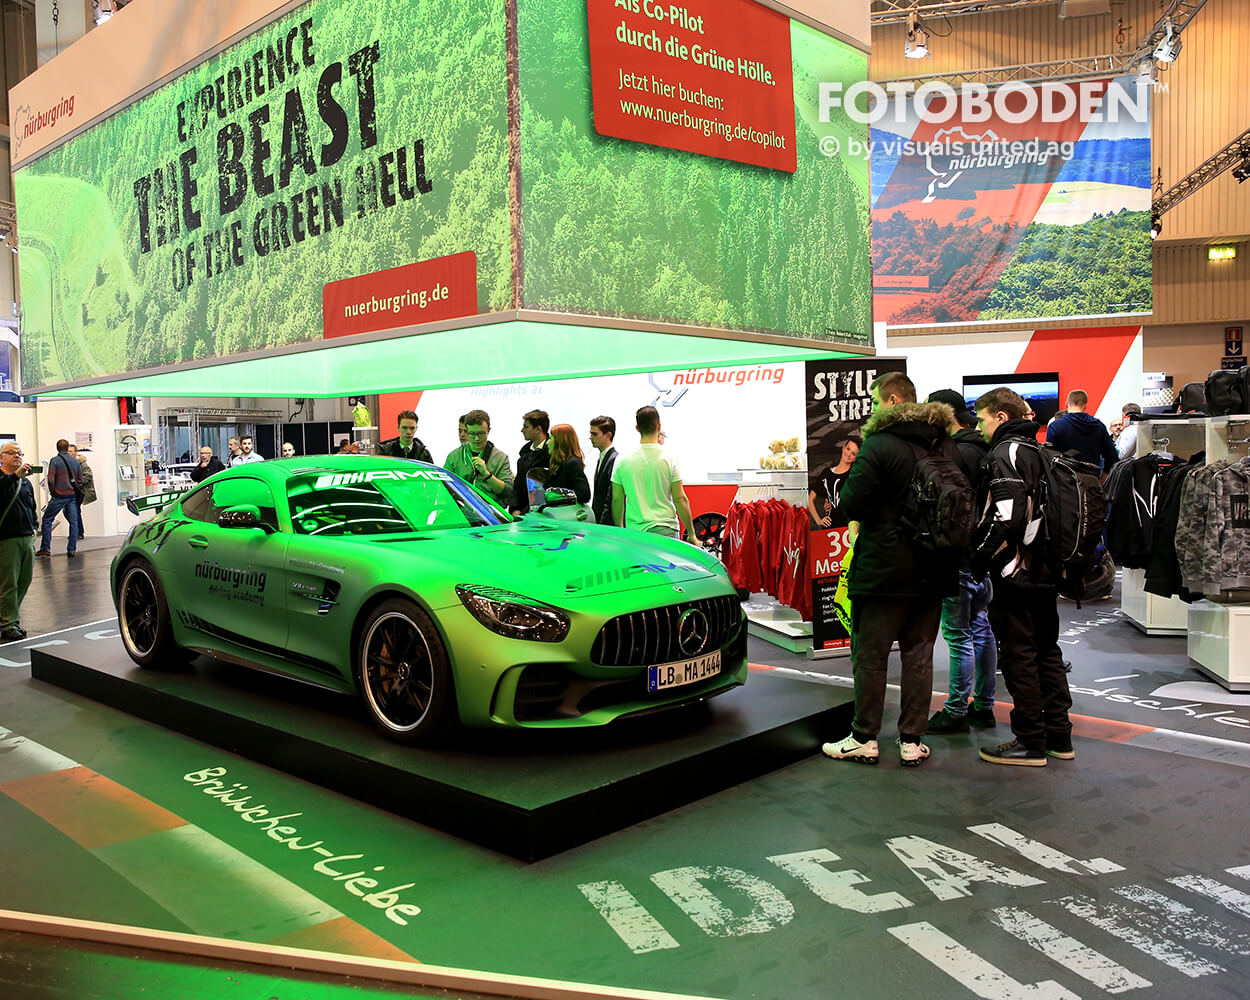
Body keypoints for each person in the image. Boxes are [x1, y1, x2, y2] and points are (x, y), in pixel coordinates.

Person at [821, 373, 961, 768]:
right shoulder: (945, 442)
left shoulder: (879, 444)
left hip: (884, 569)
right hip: (934, 567)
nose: (871, 408)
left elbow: (851, 503)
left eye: (875, 401)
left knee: (871, 655)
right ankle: (912, 740)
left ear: (893, 400)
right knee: (919, 655)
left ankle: (864, 737)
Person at [972, 387, 1073, 766]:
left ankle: (1030, 739)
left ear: (1000, 417)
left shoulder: (1006, 453)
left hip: (1017, 573)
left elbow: (1006, 514)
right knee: (1048, 650)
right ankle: (1059, 737)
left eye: (982, 419)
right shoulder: (1043, 450)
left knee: (1019, 655)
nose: (979, 427)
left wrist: (978, 557)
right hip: (1048, 570)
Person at [924, 390, 997, 735]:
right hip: (984, 554)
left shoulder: (953, 454)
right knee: (981, 627)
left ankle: (956, 710)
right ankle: (983, 706)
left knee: (958, 634)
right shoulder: (985, 449)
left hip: (958, 555)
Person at [611, 405, 695, 541]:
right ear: (659, 426)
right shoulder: (670, 458)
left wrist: (620, 528)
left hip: (636, 532)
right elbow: (680, 498)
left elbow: (617, 499)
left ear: (637, 428)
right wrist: (691, 533)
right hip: (667, 528)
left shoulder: (622, 459)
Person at [0, 442, 39, 641]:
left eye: (20, 453)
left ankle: (10, 618)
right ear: (2, 456)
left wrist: (35, 525)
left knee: (24, 580)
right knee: (9, 584)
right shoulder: (3, 479)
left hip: (26, 537)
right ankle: (8, 624)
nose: (17, 456)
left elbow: (31, 505)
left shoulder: (26, 482)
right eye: (12, 453)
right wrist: (15, 476)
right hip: (6, 540)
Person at [445, 409, 514, 504]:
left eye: (481, 433)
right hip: (462, 511)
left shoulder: (500, 458)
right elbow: (444, 486)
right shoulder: (454, 456)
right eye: (472, 434)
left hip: (490, 513)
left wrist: (486, 474)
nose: (476, 439)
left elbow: (508, 491)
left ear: (488, 430)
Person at [1045, 389, 1118, 474]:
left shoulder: (1055, 427)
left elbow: (1048, 458)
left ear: (1067, 404)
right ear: (1085, 405)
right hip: (1091, 481)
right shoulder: (1099, 426)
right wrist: (1102, 479)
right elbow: (1112, 458)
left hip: (1064, 481)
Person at [36, 439, 80, 558]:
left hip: (59, 496)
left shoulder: (54, 461)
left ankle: (45, 548)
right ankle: (72, 550)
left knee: (47, 519)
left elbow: (50, 479)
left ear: (57, 448)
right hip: (71, 496)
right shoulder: (76, 462)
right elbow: (80, 480)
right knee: (74, 523)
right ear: (67, 448)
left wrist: (53, 492)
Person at [807, 437, 860, 528]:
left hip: (848, 528)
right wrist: (818, 520)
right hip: (829, 528)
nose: (848, 454)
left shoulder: (854, 476)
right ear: (843, 448)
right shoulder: (826, 473)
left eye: (853, 453)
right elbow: (810, 499)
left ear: (856, 458)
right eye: (848, 449)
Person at [511, 409, 550, 515]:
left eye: (526, 427)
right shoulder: (524, 454)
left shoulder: (552, 454)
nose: (522, 430)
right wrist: (515, 508)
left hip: (544, 513)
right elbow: (518, 485)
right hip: (523, 513)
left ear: (538, 429)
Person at [545, 424, 591, 504]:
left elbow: (584, 494)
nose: (547, 442)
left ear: (560, 441)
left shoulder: (572, 463)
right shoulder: (557, 464)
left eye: (551, 438)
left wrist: (558, 496)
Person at [588, 415, 618, 525]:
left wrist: (602, 525)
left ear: (608, 435)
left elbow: (610, 499)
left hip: (606, 525)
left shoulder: (613, 459)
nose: (590, 437)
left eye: (594, 434)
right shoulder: (603, 457)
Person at [65, 444, 96, 540]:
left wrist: (76, 483)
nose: (69, 453)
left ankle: (78, 532)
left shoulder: (82, 464)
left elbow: (88, 476)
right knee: (69, 512)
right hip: (69, 491)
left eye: (71, 451)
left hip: (78, 492)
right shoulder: (67, 463)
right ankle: (77, 532)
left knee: (74, 511)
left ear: (75, 452)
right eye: (68, 451)